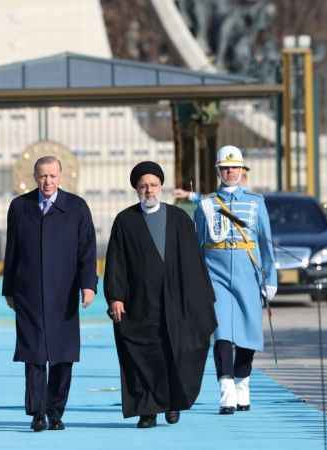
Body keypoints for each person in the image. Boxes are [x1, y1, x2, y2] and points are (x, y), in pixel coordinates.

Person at [103, 161, 218, 428]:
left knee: (176, 352)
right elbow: (116, 262)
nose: (149, 190)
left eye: (153, 185)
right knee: (144, 356)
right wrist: (116, 297)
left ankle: (173, 402)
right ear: (136, 189)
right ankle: (148, 410)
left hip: (177, 302)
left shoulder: (179, 220)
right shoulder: (125, 221)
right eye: (143, 186)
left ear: (161, 187)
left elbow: (194, 264)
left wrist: (201, 301)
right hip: (140, 303)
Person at [2, 156, 97, 432]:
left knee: (62, 354)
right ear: (35, 177)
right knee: (33, 354)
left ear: (61, 176)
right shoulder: (20, 207)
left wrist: (88, 285)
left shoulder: (77, 207)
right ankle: (37, 412)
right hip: (28, 293)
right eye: (43, 176)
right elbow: (12, 251)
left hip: (63, 294)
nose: (48, 181)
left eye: (53, 176)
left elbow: (87, 250)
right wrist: (9, 288)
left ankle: (56, 411)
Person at [192, 145, 277, 415]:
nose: (231, 172)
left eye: (235, 167)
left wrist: (270, 277)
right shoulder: (206, 204)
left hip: (247, 274)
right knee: (222, 333)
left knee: (248, 333)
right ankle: (226, 388)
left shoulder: (255, 202)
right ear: (219, 170)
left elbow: (266, 243)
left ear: (242, 170)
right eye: (226, 168)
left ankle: (243, 381)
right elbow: (197, 244)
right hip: (214, 274)